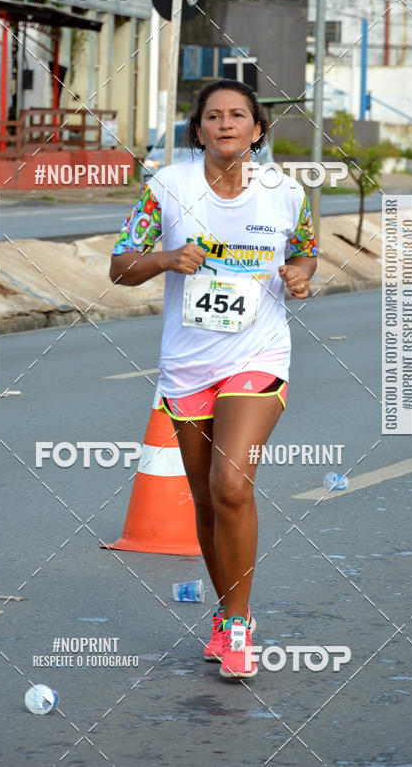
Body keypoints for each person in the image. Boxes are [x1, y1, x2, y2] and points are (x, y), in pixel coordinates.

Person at [109, 79, 317, 680]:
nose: (226, 124)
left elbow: (303, 251)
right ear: (196, 129)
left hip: (258, 356)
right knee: (205, 500)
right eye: (213, 116)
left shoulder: (284, 193)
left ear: (257, 130)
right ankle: (227, 615)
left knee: (231, 484)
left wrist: (299, 276)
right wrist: (166, 259)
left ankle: (240, 623)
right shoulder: (167, 189)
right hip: (188, 365)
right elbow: (121, 267)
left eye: (238, 116)